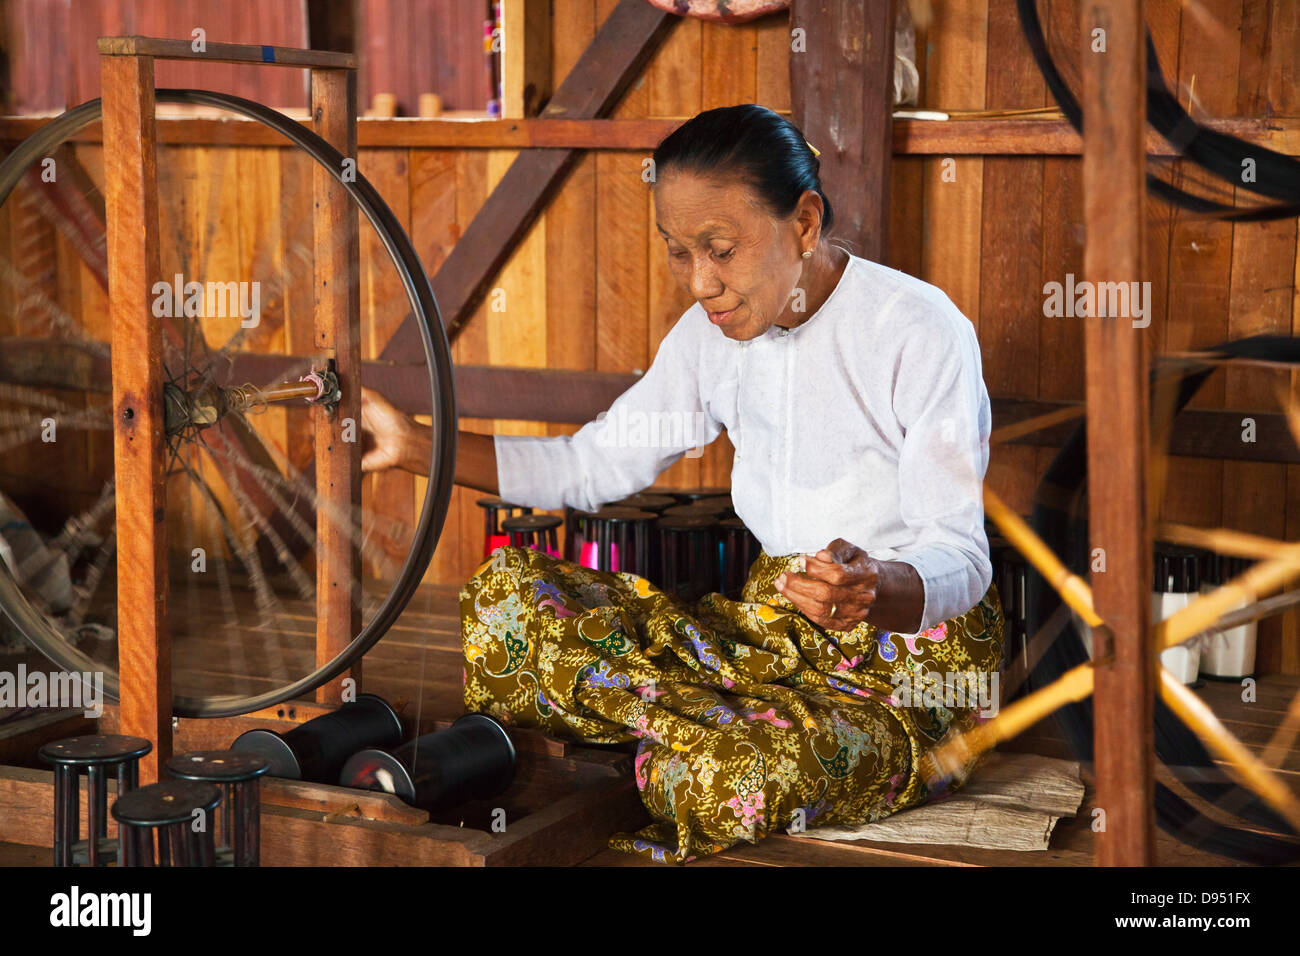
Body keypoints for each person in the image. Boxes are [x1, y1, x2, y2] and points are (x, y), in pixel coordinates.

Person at [361, 104, 1003, 864]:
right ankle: (712, 725)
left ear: (803, 222)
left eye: (721, 249)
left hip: (907, 669)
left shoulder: (920, 331)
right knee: (506, 605)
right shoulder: (710, 338)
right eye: (677, 252)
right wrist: (415, 446)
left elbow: (963, 556)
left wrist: (876, 586)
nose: (701, 282)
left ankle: (707, 738)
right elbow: (589, 465)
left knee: (725, 778)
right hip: (767, 637)